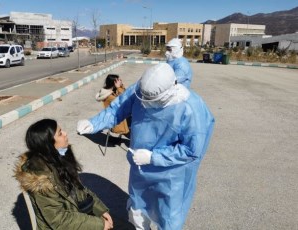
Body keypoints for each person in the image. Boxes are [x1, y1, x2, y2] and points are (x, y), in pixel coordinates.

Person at [77, 63, 215, 230]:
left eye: (151, 100)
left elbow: (192, 150)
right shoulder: (141, 89)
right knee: (138, 212)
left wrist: (153, 157)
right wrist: (93, 124)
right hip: (140, 170)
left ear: (170, 90)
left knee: (168, 218)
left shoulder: (191, 108)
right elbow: (118, 108)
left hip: (171, 176)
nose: (145, 103)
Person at [14, 118, 135, 230]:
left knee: (126, 227)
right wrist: (100, 224)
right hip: (63, 225)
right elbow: (59, 221)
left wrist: (100, 210)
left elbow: (79, 189)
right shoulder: (41, 180)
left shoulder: (59, 158)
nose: (66, 133)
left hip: (76, 215)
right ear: (48, 144)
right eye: (60, 133)